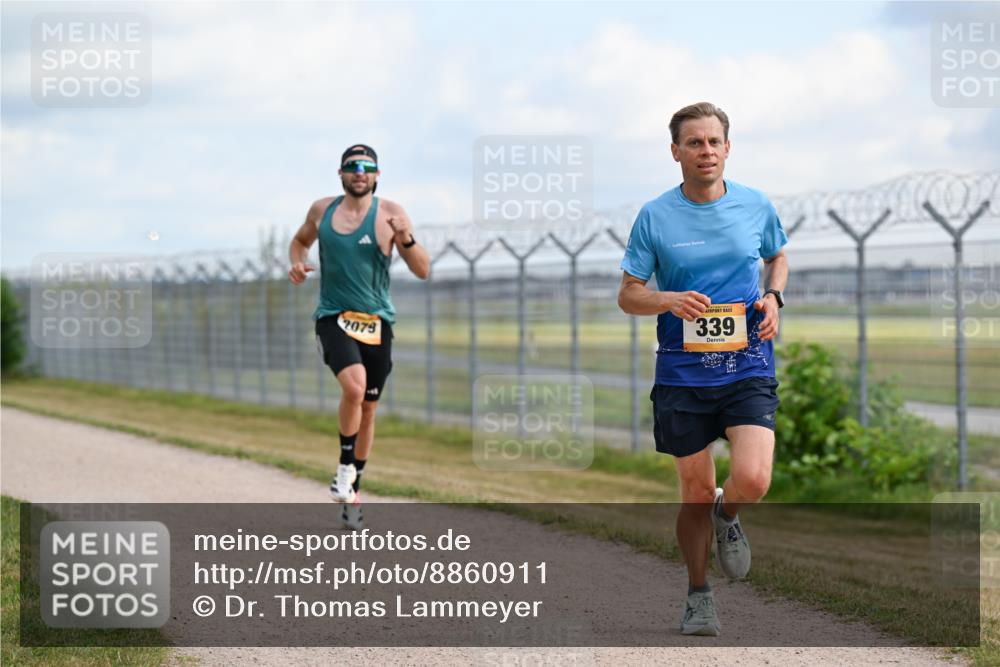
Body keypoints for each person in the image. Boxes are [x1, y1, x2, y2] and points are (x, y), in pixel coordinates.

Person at [617, 103, 789, 637]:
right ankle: (698, 595)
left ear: (728, 148)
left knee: (754, 478)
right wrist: (667, 300)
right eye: (694, 143)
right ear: (676, 152)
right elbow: (628, 295)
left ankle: (729, 516)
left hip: (746, 364)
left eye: (714, 141)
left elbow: (776, 255)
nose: (706, 151)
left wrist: (774, 297)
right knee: (694, 492)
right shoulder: (655, 215)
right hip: (682, 376)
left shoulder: (755, 205)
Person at [288, 144, 430, 530]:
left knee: (368, 408)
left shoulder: (391, 215)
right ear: (341, 174)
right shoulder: (322, 210)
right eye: (352, 167)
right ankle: (343, 467)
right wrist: (297, 262)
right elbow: (299, 241)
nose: (359, 172)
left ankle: (352, 491)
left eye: (367, 167)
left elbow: (422, 270)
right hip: (333, 316)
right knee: (354, 388)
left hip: (376, 322)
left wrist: (407, 239)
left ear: (377, 174)